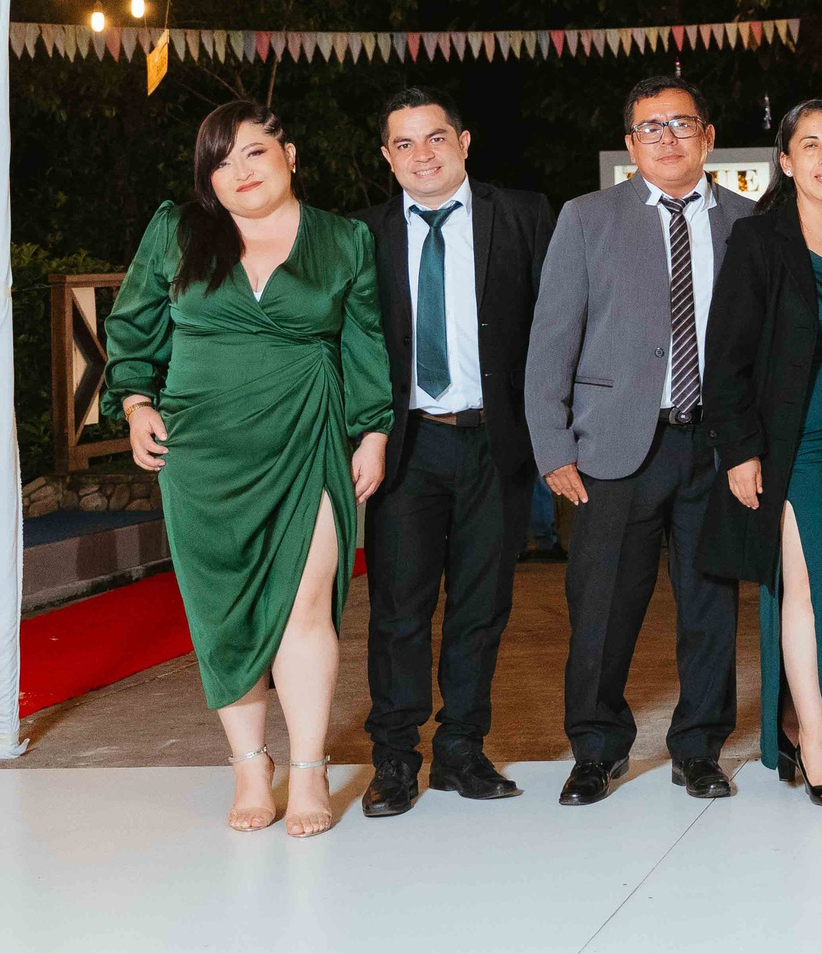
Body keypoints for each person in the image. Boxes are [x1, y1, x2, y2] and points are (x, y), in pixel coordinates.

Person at [106, 101, 390, 838]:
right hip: (202, 450)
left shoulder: (344, 238)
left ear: (289, 154)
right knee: (224, 614)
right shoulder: (177, 230)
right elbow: (134, 323)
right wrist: (136, 402)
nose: (238, 172)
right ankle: (249, 764)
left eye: (254, 153)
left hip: (308, 437)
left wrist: (374, 430)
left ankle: (308, 769)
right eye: (220, 161)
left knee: (304, 603)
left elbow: (364, 341)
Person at [525, 75, 755, 808]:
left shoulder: (750, 222)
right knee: (601, 604)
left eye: (681, 124)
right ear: (630, 144)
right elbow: (551, 339)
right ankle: (595, 748)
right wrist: (552, 445)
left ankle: (700, 747)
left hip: (715, 445)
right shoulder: (586, 218)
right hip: (614, 448)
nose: (667, 137)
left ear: (708, 136)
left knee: (710, 605)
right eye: (650, 127)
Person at [352, 87, 556, 819]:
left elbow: (554, 326)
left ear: (465, 142)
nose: (422, 154)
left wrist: (549, 433)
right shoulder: (363, 234)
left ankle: (462, 751)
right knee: (398, 610)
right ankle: (396, 759)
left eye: (435, 138)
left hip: (494, 442)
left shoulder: (525, 215)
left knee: (481, 606)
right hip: (405, 445)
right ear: (386, 156)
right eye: (404, 144)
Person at [700, 100, 822, 811]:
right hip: (794, 446)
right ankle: (818, 744)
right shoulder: (760, 240)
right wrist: (740, 451)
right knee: (804, 591)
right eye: (811, 145)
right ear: (786, 161)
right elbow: (727, 359)